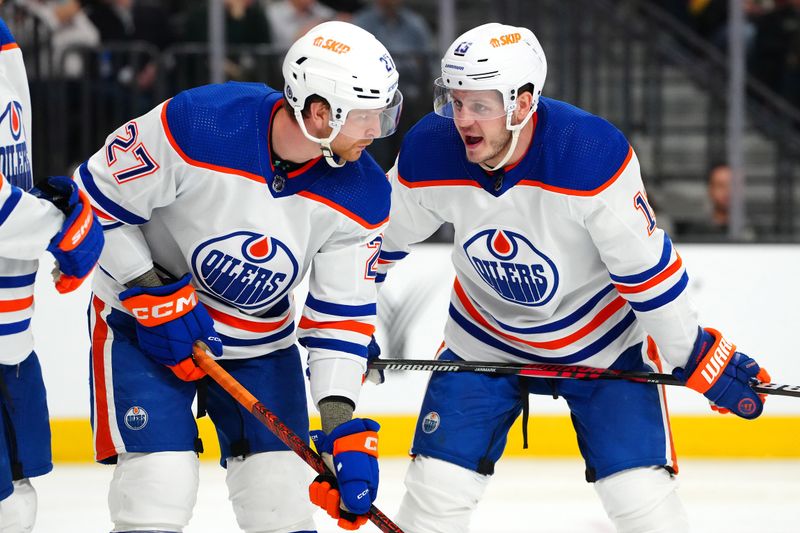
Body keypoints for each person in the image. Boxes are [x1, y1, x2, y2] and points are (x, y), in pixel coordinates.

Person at [376, 22, 770, 533]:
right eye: (454, 101)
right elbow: (375, 243)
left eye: (480, 105)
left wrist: (693, 354)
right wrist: (349, 325)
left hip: (602, 345)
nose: (461, 120)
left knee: (643, 502)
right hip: (484, 340)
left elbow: (647, 273)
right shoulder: (431, 148)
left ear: (522, 102)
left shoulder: (589, 155)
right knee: (434, 493)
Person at [74, 20, 402, 533]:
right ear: (319, 112)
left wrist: (340, 425)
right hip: (141, 329)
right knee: (157, 488)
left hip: (260, 345)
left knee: (278, 502)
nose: (377, 130)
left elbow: (341, 317)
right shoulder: (199, 123)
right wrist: (151, 288)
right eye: (366, 115)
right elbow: (92, 201)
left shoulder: (362, 193)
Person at [0, 10, 103, 531]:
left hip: (10, 336)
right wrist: (62, 225)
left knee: (16, 500)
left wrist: (50, 209)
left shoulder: (6, 47)